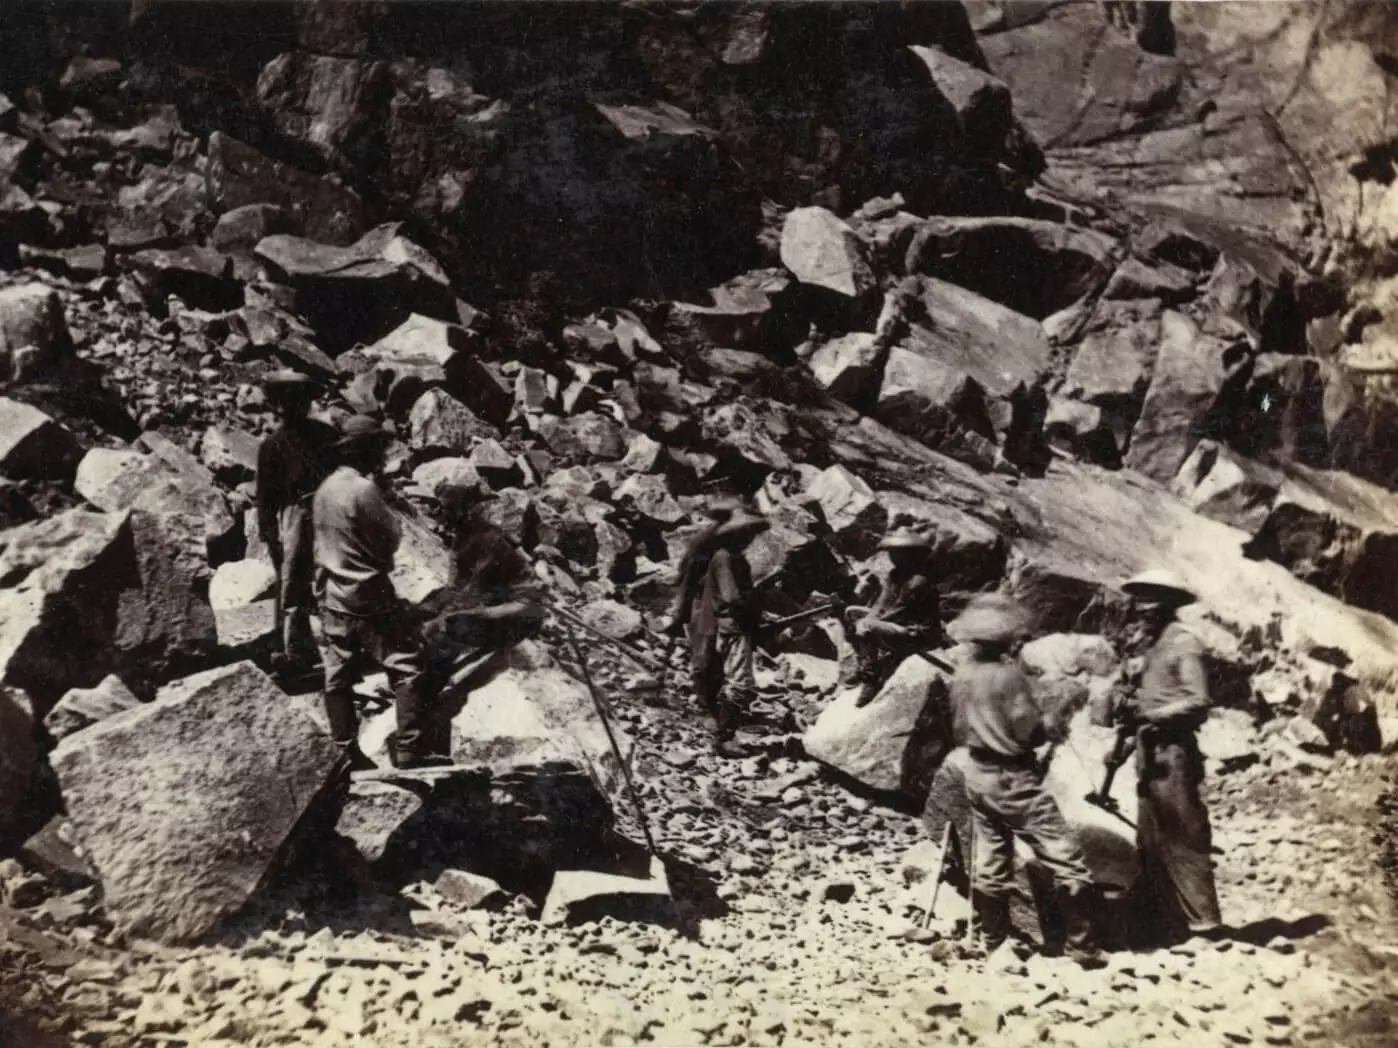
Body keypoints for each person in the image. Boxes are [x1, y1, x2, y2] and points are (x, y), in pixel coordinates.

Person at [949, 593, 1100, 963]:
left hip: (976, 774)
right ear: (1004, 640)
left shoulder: (962, 675)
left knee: (991, 860)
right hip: (1012, 778)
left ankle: (993, 942)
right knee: (1066, 856)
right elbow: (1030, 734)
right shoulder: (1008, 676)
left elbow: (957, 727)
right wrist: (1059, 713)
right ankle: (1082, 946)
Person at [312, 415, 445, 770]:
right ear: (365, 449)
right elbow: (390, 539)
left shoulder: (325, 489)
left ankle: (344, 750)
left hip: (333, 594)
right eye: (377, 448)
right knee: (408, 666)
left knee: (337, 673)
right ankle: (410, 749)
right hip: (369, 594)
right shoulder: (363, 489)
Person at [1104, 569, 1222, 944]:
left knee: (1184, 836)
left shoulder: (1185, 644)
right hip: (1147, 752)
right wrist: (1120, 750)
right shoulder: (1149, 648)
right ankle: (1166, 922)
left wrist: (1150, 717)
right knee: (1150, 840)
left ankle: (1204, 925)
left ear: (1168, 605)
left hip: (1173, 754)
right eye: (1138, 602)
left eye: (1150, 603)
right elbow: (1140, 703)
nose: (1141, 610)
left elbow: (1199, 700)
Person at [662, 504, 769, 759]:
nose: (751, 538)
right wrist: (757, 604)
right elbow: (731, 596)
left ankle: (718, 727)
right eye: (748, 533)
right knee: (740, 682)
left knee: (719, 673)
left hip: (719, 622)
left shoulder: (719, 554)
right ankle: (724, 738)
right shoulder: (727, 557)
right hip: (730, 625)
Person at [255, 370, 335, 680]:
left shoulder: (326, 435)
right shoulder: (272, 446)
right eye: (284, 401)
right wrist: (269, 533)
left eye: (297, 400)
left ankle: (341, 645)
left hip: (330, 508)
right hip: (298, 514)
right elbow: (265, 497)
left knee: (335, 575)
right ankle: (298, 652)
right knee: (294, 583)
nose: (290, 407)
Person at [847, 527, 943, 707]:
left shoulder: (918, 581)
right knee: (851, 612)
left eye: (897, 553)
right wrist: (872, 617)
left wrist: (870, 622)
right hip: (895, 622)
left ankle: (871, 677)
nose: (892, 556)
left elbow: (900, 611)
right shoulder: (895, 575)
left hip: (917, 633)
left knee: (866, 626)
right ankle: (864, 663)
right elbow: (881, 605)